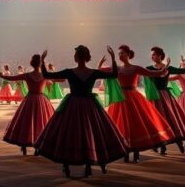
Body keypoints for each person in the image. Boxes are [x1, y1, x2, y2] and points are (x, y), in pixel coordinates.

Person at [35, 45, 128, 178]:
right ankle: (89, 164)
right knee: (91, 132)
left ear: (76, 57)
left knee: (68, 133)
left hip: (72, 105)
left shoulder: (69, 72)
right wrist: (113, 58)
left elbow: (47, 75)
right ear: (87, 57)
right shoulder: (93, 72)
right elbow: (113, 75)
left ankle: (66, 165)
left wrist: (42, 61)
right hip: (90, 105)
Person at [99, 45, 174, 163]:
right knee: (122, 125)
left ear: (129, 55)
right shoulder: (117, 68)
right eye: (119, 53)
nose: (120, 55)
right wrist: (110, 59)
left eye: (122, 53)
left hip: (134, 98)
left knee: (136, 124)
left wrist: (167, 66)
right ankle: (125, 151)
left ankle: (136, 153)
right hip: (121, 99)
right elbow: (100, 71)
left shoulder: (136, 68)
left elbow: (154, 73)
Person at [0, 54, 55, 155]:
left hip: (30, 99)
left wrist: (2, 76)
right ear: (41, 64)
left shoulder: (27, 75)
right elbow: (55, 80)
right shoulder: (45, 75)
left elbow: (12, 78)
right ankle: (38, 148)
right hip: (41, 99)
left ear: (32, 63)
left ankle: (24, 145)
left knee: (26, 122)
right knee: (41, 122)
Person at [144, 46, 185, 154]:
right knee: (156, 121)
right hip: (154, 97)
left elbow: (181, 70)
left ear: (160, 56)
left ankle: (179, 142)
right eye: (151, 54)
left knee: (170, 119)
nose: (152, 56)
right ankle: (161, 145)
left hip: (164, 96)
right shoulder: (149, 68)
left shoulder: (168, 68)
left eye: (154, 54)